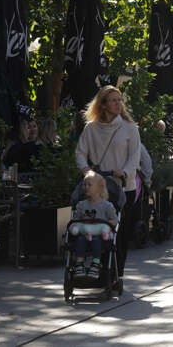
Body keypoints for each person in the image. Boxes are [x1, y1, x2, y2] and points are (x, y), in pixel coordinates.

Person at [75, 85, 141, 278]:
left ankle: (116, 272)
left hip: (122, 187)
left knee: (120, 232)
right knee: (98, 228)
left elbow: (134, 156)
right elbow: (80, 152)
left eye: (119, 100)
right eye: (113, 100)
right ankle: (101, 267)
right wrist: (86, 171)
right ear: (103, 105)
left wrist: (125, 172)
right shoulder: (91, 128)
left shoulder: (129, 128)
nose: (118, 104)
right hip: (98, 188)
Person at [69, 170, 119, 277]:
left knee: (96, 240)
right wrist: (80, 222)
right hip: (85, 234)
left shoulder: (107, 206)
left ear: (100, 188)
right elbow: (75, 221)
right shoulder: (81, 205)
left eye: (89, 185)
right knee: (80, 239)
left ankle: (96, 264)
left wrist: (103, 224)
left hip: (101, 236)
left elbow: (115, 221)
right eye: (84, 184)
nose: (86, 187)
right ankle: (79, 263)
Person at [2, 105, 41, 173]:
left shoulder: (29, 147)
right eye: (28, 127)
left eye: (33, 126)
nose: (31, 130)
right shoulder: (17, 149)